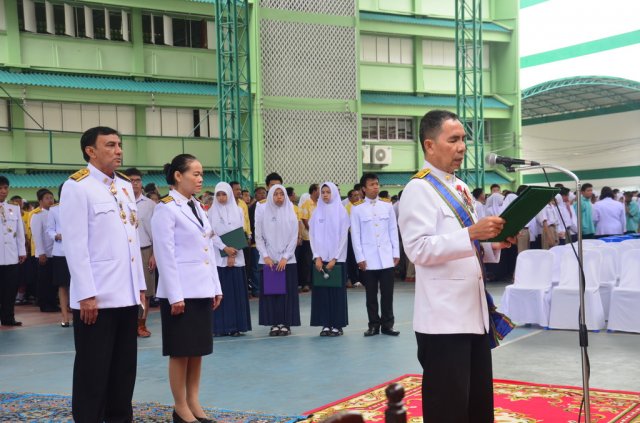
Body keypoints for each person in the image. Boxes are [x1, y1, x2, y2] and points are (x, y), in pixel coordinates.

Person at [398, 110, 515, 423]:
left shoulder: (461, 188)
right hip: (443, 319)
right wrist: (471, 234)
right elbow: (418, 249)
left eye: (463, 139)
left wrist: (492, 244)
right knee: (448, 408)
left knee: (477, 404)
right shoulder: (418, 190)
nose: (462, 146)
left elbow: (470, 244)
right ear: (430, 145)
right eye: (453, 139)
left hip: (473, 313)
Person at [60, 126, 147, 422]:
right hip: (96, 298)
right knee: (92, 372)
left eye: (120, 144)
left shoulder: (123, 186)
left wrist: (140, 288)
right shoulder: (77, 186)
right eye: (110, 145)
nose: (119, 150)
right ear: (91, 151)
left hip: (126, 295)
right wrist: (86, 294)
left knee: (124, 371)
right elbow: (75, 245)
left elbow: (132, 240)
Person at [151, 154, 223, 423]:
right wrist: (174, 295)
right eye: (195, 173)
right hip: (181, 292)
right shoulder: (166, 208)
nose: (200, 178)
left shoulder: (197, 207)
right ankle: (180, 406)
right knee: (180, 351)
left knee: (197, 350)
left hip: (201, 288)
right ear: (178, 176)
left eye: (201, 173)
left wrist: (216, 287)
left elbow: (207, 249)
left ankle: (194, 402)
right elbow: (165, 255)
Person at [350, 173, 400, 337]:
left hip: (386, 257)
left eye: (377, 184)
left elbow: (393, 230)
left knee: (388, 295)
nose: (375, 187)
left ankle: (388, 325)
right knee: (370, 295)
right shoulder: (357, 209)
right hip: (368, 259)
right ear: (364, 189)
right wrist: (360, 258)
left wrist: (395, 252)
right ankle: (373, 325)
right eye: (371, 184)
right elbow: (355, 235)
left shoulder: (387, 206)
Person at [255, 184, 300, 336]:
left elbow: (294, 238)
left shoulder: (291, 213)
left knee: (286, 294)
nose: (279, 196)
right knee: (272, 294)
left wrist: (285, 257)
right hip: (268, 261)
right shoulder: (263, 213)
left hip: (287, 261)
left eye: (281, 194)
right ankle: (274, 323)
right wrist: (266, 256)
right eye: (276, 194)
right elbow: (258, 237)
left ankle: (286, 323)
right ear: (271, 196)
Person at [208, 182, 251, 337]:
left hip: (237, 257)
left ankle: (236, 326)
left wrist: (233, 254)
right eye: (218, 194)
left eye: (224, 194)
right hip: (219, 257)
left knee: (236, 293)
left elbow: (240, 232)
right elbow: (211, 234)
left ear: (229, 194)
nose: (221, 197)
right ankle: (220, 327)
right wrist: (225, 249)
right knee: (222, 293)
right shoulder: (211, 212)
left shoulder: (238, 210)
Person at [309, 182, 350, 336]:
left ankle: (337, 325)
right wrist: (316, 257)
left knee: (336, 294)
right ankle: (325, 324)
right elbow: (312, 237)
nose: (325, 195)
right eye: (323, 192)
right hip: (320, 260)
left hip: (336, 260)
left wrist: (335, 258)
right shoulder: (316, 213)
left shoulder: (341, 212)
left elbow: (343, 238)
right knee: (322, 294)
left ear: (334, 193)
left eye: (328, 192)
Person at [124, 168, 157, 338]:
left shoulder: (150, 205)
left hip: (145, 250)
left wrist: (154, 255)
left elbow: (156, 233)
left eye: (137, 180)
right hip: (124, 252)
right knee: (127, 289)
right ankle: (128, 325)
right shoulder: (119, 202)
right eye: (131, 180)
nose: (135, 183)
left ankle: (141, 325)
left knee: (146, 291)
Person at [0, 175, 27, 326]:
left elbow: (20, 232)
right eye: (0, 188)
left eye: (5, 188)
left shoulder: (14, 208)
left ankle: (8, 318)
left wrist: (21, 251)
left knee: (10, 289)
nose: (4, 191)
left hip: (11, 257)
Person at [46, 184, 72, 327]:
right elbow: (49, 229)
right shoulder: (54, 210)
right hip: (60, 251)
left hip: (76, 251)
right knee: (62, 285)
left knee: (77, 283)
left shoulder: (78, 208)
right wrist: (56, 236)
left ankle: (77, 313)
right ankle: (64, 317)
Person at [30, 188, 58, 312]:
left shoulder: (56, 213)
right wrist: (41, 252)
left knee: (53, 280)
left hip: (55, 252)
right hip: (44, 253)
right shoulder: (37, 215)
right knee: (44, 281)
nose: (50, 200)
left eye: (51, 197)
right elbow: (37, 235)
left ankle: (52, 303)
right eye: (47, 198)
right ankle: (44, 304)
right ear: (40, 201)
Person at [299, 184, 320, 292]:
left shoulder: (320, 204)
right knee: (307, 261)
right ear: (314, 191)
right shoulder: (307, 203)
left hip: (319, 238)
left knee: (317, 260)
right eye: (319, 190)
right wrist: (313, 231)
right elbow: (304, 219)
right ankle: (305, 283)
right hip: (309, 237)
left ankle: (315, 282)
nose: (321, 192)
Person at [344, 189, 362, 287]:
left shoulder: (361, 206)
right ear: (350, 198)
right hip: (351, 235)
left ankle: (362, 278)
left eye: (358, 195)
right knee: (353, 258)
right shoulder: (347, 208)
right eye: (354, 195)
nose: (357, 197)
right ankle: (354, 279)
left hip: (362, 235)